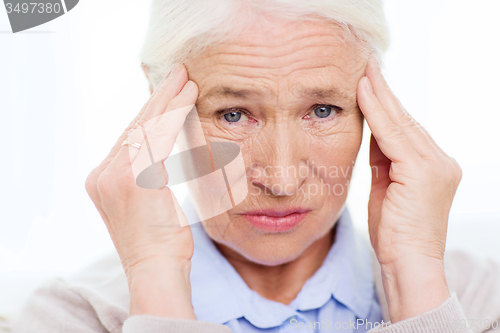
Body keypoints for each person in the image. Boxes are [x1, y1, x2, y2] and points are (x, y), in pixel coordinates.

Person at [10, 0, 500, 332]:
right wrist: (155, 280)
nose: (283, 179)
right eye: (233, 113)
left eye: (323, 110)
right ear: (159, 105)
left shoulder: (479, 303)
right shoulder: (67, 318)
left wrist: (412, 280)